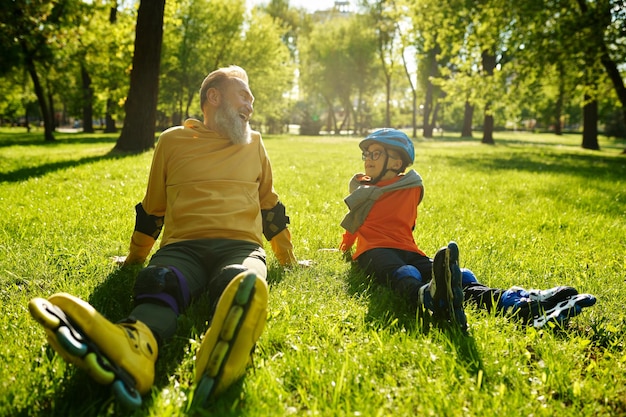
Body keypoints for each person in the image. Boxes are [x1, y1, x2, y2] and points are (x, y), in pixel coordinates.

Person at [28, 66, 300, 409]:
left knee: (241, 280)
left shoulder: (255, 143)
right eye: (244, 95)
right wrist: (134, 259)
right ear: (213, 97)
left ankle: (226, 351)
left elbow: (269, 207)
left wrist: (288, 260)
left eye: (252, 99)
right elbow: (153, 208)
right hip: (182, 247)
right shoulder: (172, 140)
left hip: (240, 246)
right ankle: (135, 347)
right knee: (158, 281)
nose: (251, 104)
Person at [339, 128, 596, 332]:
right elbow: (355, 222)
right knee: (404, 273)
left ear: (396, 161)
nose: (368, 159)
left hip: (409, 249)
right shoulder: (362, 190)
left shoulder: (410, 186)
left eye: (376, 154)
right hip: (373, 252)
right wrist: (344, 247)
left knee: (457, 279)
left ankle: (515, 302)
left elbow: (406, 214)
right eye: (367, 154)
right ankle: (428, 298)